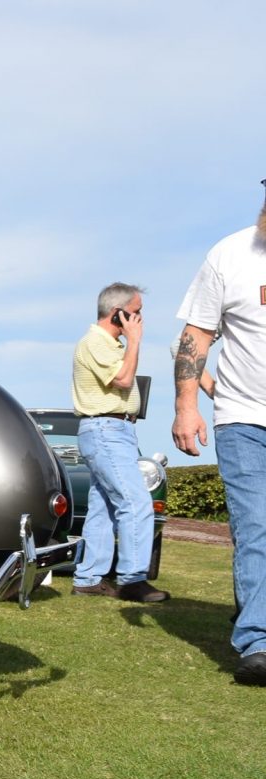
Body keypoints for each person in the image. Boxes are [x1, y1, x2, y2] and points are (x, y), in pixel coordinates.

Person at [172, 190, 266, 686]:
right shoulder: (229, 255)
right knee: (256, 527)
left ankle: (252, 609)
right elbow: (196, 337)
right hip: (243, 417)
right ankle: (259, 642)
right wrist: (187, 407)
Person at [69, 282, 168, 603]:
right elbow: (124, 379)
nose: (139, 320)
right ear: (118, 313)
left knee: (104, 508)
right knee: (136, 502)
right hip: (106, 430)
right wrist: (136, 342)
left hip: (115, 430)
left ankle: (87, 578)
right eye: (136, 313)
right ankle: (132, 579)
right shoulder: (94, 342)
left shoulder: (109, 344)